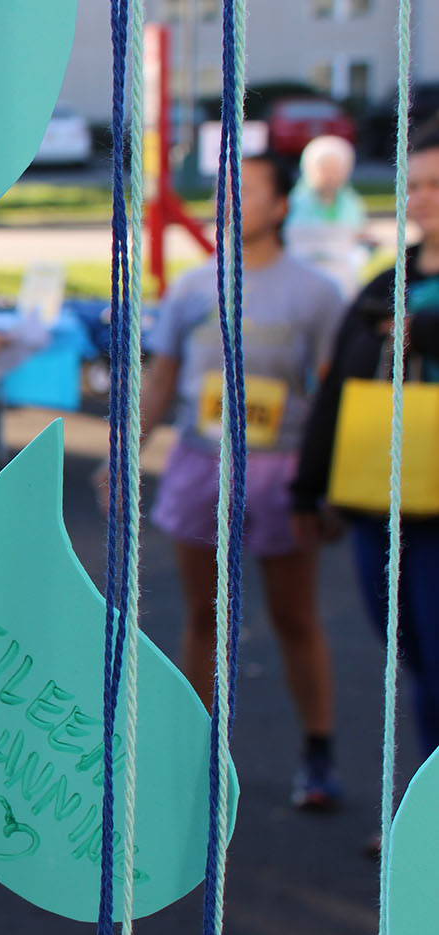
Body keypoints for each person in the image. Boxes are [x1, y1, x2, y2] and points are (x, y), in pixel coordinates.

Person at [116, 154, 344, 807]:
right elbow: (161, 381)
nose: (228, 202)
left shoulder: (317, 293)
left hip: (282, 470)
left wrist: (326, 485)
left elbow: (332, 397)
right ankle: (196, 754)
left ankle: (319, 752)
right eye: (222, 191)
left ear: (282, 207)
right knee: (204, 615)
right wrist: (125, 454)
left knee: (293, 615)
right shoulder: (191, 288)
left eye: (247, 191)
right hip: (199, 466)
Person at [295, 121, 439, 785]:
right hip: (378, 507)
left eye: (435, 185)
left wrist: (427, 333)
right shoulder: (384, 285)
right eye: (414, 185)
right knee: (412, 658)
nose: (422, 198)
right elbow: (337, 392)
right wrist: (308, 488)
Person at [287, 134, 371, 295]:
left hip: (343, 276)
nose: (330, 174)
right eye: (324, 167)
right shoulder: (294, 203)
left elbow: (359, 232)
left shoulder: (351, 202)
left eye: (335, 168)